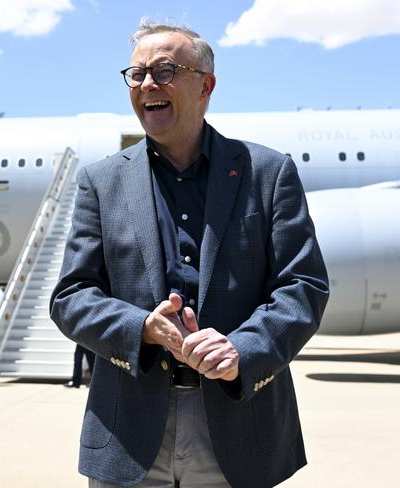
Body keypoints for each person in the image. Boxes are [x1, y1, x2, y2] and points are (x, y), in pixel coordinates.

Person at [50, 21, 330, 488]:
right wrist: (141, 328)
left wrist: (242, 349)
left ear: (206, 85)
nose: (146, 85)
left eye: (164, 70)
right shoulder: (101, 182)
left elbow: (303, 287)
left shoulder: (267, 173)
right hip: (130, 432)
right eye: (135, 75)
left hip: (239, 427)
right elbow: (72, 297)